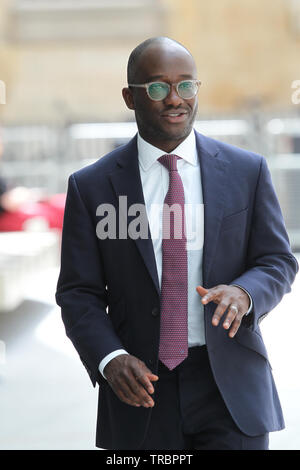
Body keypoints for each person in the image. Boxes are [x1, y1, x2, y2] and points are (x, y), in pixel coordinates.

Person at [55, 37, 298, 450]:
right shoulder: (91, 187)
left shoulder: (246, 171)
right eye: (157, 87)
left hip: (231, 388)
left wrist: (244, 292)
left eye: (186, 85)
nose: (174, 99)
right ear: (130, 97)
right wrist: (109, 358)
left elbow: (277, 260)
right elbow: (79, 293)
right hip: (139, 390)